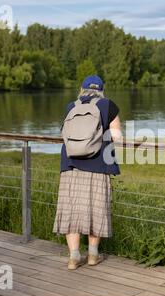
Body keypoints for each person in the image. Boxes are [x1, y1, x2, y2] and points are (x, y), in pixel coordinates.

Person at [53, 75, 122, 270]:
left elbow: (64, 134)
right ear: (102, 90)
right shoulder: (108, 105)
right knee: (96, 209)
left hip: (71, 165)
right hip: (98, 166)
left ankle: (74, 257)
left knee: (72, 210)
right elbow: (116, 136)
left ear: (81, 89)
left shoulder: (71, 106)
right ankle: (92, 255)